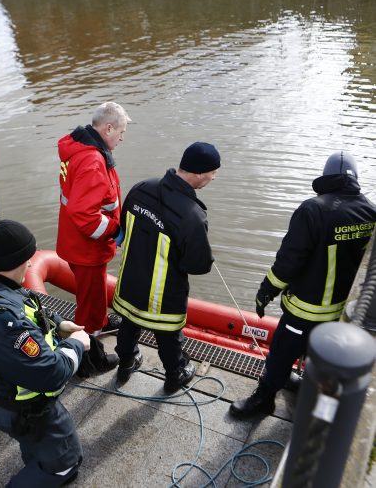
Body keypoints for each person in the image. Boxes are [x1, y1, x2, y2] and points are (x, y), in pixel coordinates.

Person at [230, 151, 376, 419]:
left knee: (281, 355)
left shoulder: (313, 209)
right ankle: (317, 406)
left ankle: (264, 400)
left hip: (306, 308)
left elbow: (289, 260)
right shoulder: (370, 212)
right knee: (325, 359)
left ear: (326, 176)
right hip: (344, 313)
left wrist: (266, 291)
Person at [0, 219, 90, 487]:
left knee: (34, 445)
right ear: (15, 263)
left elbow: (22, 303)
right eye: (27, 259)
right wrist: (77, 344)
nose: (30, 265)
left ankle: (37, 458)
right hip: (24, 406)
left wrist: (58, 324)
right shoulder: (3, 325)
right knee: (64, 463)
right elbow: (52, 374)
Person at [112, 142, 220, 394]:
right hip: (162, 294)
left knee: (128, 324)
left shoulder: (141, 189)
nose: (214, 177)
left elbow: (124, 227)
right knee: (169, 338)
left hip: (129, 281)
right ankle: (175, 375)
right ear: (199, 174)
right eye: (213, 172)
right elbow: (198, 265)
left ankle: (125, 363)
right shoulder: (192, 215)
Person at [56, 101, 131, 342]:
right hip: (87, 247)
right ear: (108, 128)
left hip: (76, 241)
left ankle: (100, 320)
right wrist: (115, 230)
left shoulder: (79, 148)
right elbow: (86, 215)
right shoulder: (93, 161)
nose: (122, 139)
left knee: (94, 293)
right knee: (89, 302)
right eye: (121, 132)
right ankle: (88, 349)